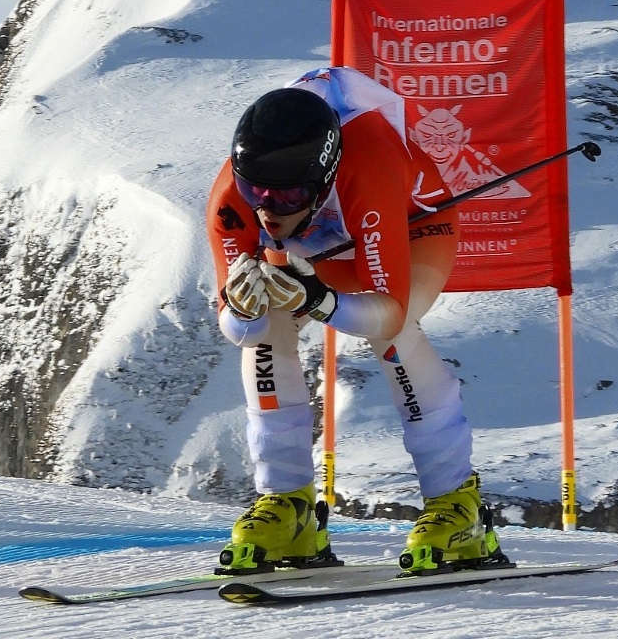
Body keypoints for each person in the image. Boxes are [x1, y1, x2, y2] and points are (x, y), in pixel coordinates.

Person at [205, 66, 507, 574]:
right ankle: (288, 505)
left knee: (398, 335)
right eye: (255, 191)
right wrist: (240, 308)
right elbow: (238, 330)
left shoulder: (367, 166)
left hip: (408, 226)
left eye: (287, 196)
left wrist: (322, 302)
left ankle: (458, 506)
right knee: (268, 319)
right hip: (317, 243)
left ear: (322, 180)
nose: (266, 212)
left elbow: (387, 316)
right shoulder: (233, 201)